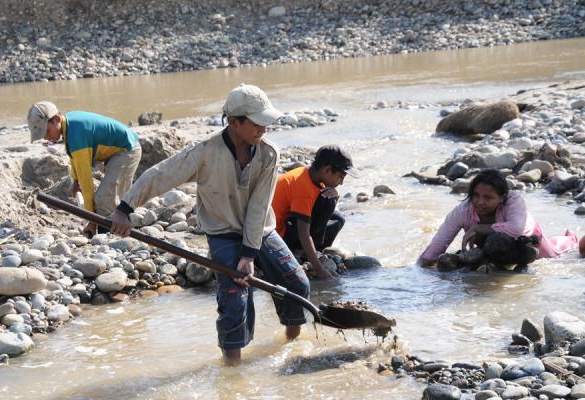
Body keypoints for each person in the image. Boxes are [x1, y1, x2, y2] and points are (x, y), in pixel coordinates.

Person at [109, 84, 310, 364]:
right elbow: (162, 175)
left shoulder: (268, 154)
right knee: (234, 302)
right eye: (256, 123)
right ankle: (232, 370)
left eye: (265, 122)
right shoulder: (205, 152)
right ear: (234, 122)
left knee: (297, 284)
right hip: (223, 233)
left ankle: (292, 349)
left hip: (261, 231)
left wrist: (249, 254)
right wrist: (124, 208)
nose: (263, 128)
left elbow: (258, 207)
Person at [418, 168, 578, 271]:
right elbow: (440, 242)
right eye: (476, 195)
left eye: (488, 198)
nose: (480, 202)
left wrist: (479, 228)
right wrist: (419, 268)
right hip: (490, 249)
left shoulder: (514, 201)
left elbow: (515, 229)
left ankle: (571, 238)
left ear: (502, 198)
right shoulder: (463, 210)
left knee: (556, 251)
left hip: (529, 241)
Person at [27, 101, 142, 238]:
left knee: (103, 199)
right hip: (114, 152)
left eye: (46, 132)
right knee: (108, 196)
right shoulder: (69, 125)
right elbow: (73, 157)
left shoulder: (76, 134)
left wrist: (91, 222)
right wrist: (75, 181)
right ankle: (115, 227)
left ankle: (110, 236)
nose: (46, 137)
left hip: (127, 150)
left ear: (56, 120)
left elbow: (87, 188)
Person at [272, 145, 355, 279]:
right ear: (327, 170)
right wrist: (319, 269)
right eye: (341, 177)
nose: (342, 183)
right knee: (328, 202)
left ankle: (312, 252)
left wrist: (335, 196)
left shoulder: (309, 174)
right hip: (277, 237)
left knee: (338, 218)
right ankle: (303, 254)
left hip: (286, 224)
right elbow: (303, 233)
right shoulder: (303, 187)